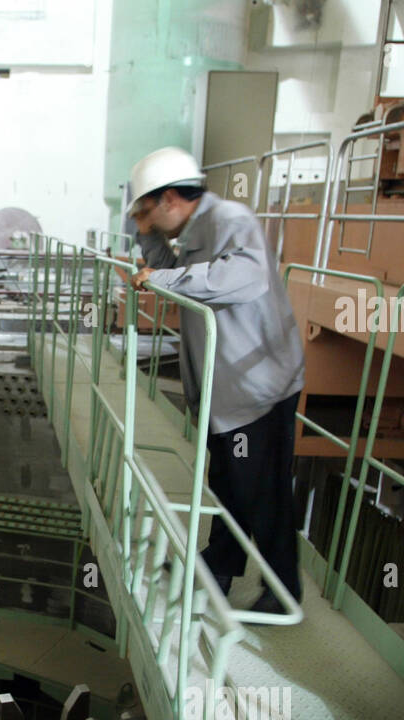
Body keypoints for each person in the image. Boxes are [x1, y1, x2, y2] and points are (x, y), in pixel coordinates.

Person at [123, 146, 305, 615]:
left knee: (263, 493)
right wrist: (145, 239)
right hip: (226, 390)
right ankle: (219, 567)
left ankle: (284, 595)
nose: (146, 218)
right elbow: (164, 271)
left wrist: (167, 279)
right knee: (228, 483)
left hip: (257, 387)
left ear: (168, 199)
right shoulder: (196, 229)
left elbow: (246, 276)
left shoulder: (229, 217)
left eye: (146, 210)